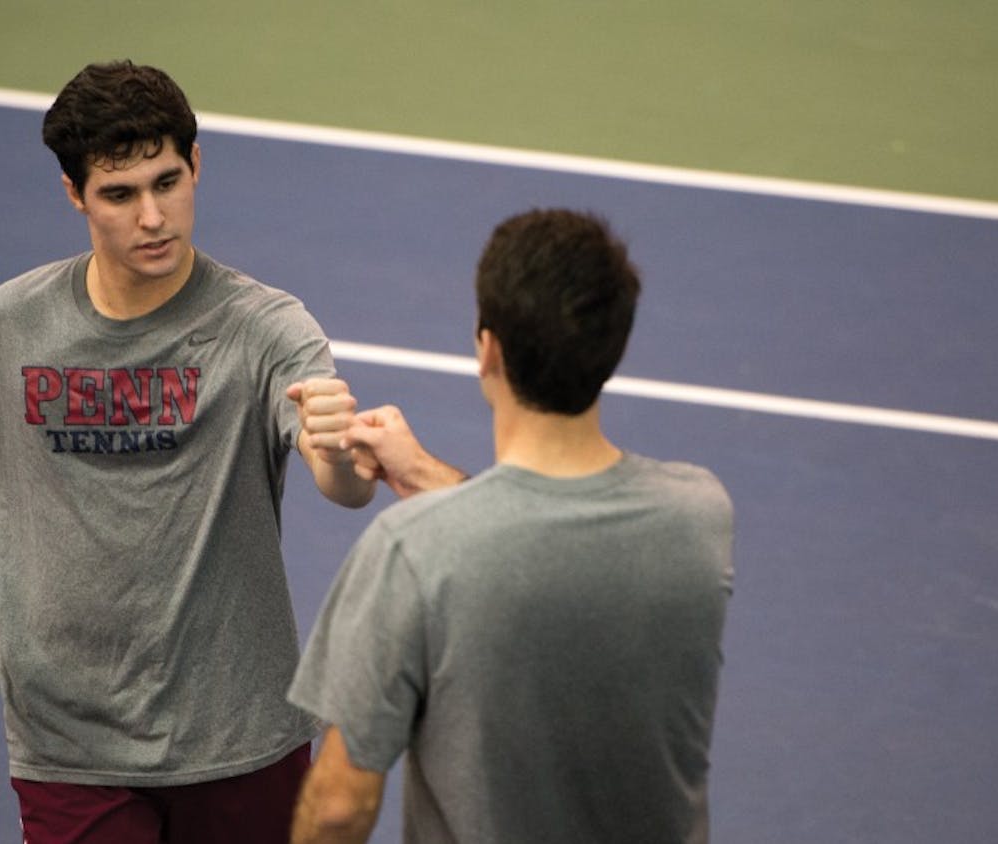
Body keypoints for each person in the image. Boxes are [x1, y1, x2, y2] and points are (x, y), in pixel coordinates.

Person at [0, 60, 376, 843]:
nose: (153, 216)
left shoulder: (267, 329)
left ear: (197, 167)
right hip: (71, 745)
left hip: (240, 737)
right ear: (75, 195)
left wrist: (342, 452)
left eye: (168, 181)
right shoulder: (8, 326)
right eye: (120, 194)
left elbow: (340, 484)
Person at [287, 208, 736, 843]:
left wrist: (425, 495)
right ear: (614, 347)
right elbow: (544, 535)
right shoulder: (699, 516)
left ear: (487, 348)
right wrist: (419, 473)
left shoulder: (412, 552)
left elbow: (338, 808)